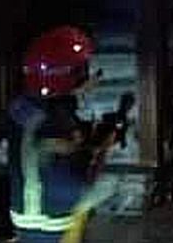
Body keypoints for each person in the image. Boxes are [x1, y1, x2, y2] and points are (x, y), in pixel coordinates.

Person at [7, 27, 118, 243]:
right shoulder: (55, 119)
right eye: (82, 71)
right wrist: (92, 192)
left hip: (25, 214)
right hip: (49, 220)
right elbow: (58, 169)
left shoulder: (23, 106)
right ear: (66, 74)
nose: (90, 78)